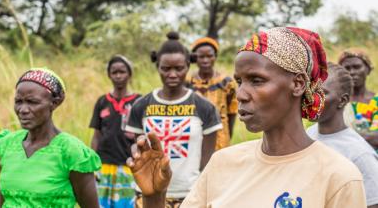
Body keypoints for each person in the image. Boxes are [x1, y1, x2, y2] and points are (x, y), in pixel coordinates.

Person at [127, 27, 367, 208]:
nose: (240, 94)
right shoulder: (223, 163)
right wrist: (154, 197)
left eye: (257, 80)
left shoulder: (338, 177)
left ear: (297, 83)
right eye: (239, 81)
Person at [125, 32, 222, 207]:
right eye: (166, 69)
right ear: (157, 67)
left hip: (188, 193)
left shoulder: (204, 107)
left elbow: (208, 156)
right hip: (148, 192)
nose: (172, 74)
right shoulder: (141, 105)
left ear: (188, 66)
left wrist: (199, 186)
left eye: (179, 68)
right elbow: (136, 146)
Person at [0, 68, 101, 208]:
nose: (23, 109)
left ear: (54, 103)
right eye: (18, 101)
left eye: (32, 102)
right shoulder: (5, 145)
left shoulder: (71, 152)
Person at [307, 62, 378, 208]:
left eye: (323, 93)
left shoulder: (360, 155)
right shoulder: (308, 135)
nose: (312, 99)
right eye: (310, 91)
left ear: (343, 100)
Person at [90, 55, 141, 207]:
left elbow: (142, 136)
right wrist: (92, 165)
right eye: (114, 72)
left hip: (128, 165)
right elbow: (96, 135)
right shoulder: (102, 101)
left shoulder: (138, 101)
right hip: (103, 165)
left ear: (129, 74)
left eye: (122, 72)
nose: (118, 76)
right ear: (109, 75)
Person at [187, 37, 238, 150]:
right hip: (193, 139)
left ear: (215, 57)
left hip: (220, 140)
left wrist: (227, 137)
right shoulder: (187, 83)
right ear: (195, 58)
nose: (206, 60)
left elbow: (232, 113)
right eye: (201, 57)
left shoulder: (227, 82)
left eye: (209, 56)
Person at [338, 49, 378, 150]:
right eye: (347, 68)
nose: (352, 72)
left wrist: (346, 137)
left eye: (357, 67)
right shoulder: (337, 102)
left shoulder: (376, 101)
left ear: (368, 69)